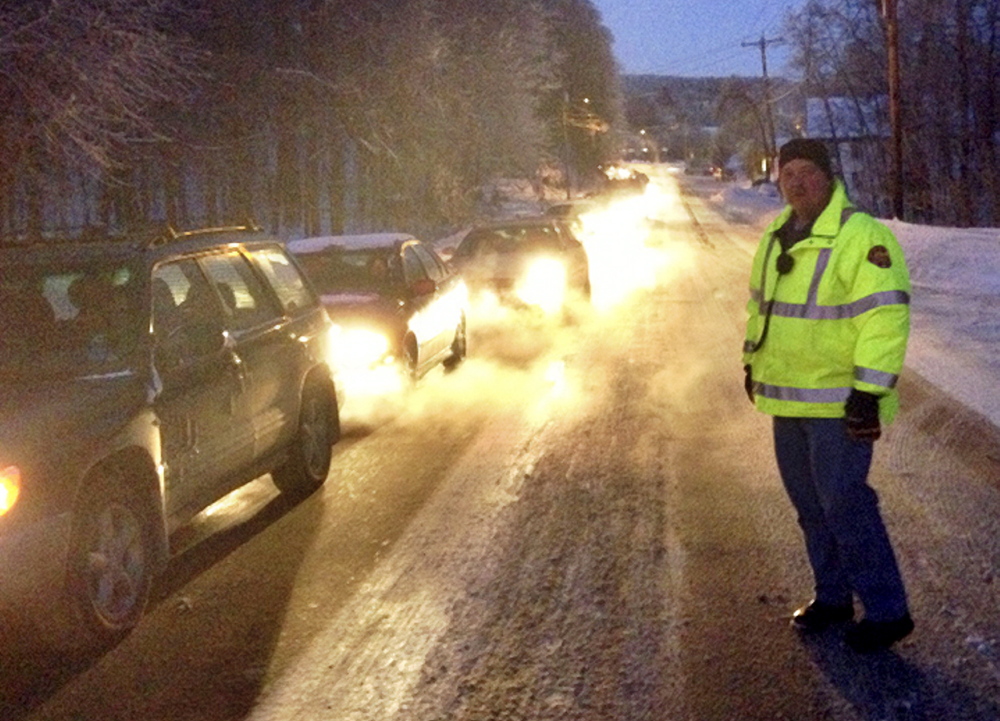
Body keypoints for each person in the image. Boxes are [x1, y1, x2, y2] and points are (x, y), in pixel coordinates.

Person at [742, 138, 914, 653]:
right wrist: (753, 362)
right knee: (810, 507)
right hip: (787, 401)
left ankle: (888, 612)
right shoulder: (775, 234)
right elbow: (760, 309)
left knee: (845, 505)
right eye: (787, 172)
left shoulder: (861, 235)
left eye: (808, 172)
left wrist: (868, 391)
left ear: (828, 176)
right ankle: (834, 596)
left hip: (839, 404)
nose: (797, 181)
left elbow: (885, 316)